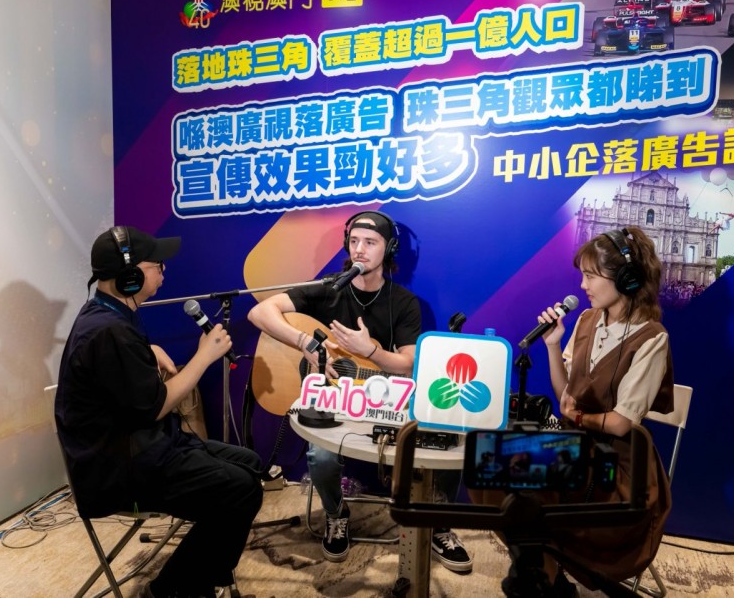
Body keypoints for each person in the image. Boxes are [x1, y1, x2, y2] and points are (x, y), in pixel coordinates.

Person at [247, 210, 472, 573]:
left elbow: (408, 364)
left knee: (441, 438)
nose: (359, 250)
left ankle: (438, 524)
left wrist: (370, 351)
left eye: (370, 242)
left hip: (382, 403)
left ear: (389, 249)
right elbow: (260, 313)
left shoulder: (404, 302)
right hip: (332, 402)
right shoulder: (328, 288)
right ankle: (336, 514)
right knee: (320, 457)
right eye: (353, 241)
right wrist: (306, 342)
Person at [54, 226, 264, 598]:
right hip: (119, 470)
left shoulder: (109, 315)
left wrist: (146, 350)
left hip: (142, 446)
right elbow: (155, 407)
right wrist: (204, 356)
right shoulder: (109, 332)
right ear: (129, 277)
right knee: (240, 490)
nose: (164, 272)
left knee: (248, 464)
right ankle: (170, 590)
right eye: (157, 266)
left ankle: (200, 578)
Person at [475, 226, 674, 597]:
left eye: (591, 276)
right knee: (489, 463)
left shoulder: (652, 337)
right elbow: (566, 395)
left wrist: (578, 417)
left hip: (618, 467)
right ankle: (545, 575)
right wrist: (553, 345)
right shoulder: (586, 321)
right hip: (575, 448)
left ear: (626, 278)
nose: (583, 285)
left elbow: (620, 424)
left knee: (530, 487)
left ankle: (541, 580)